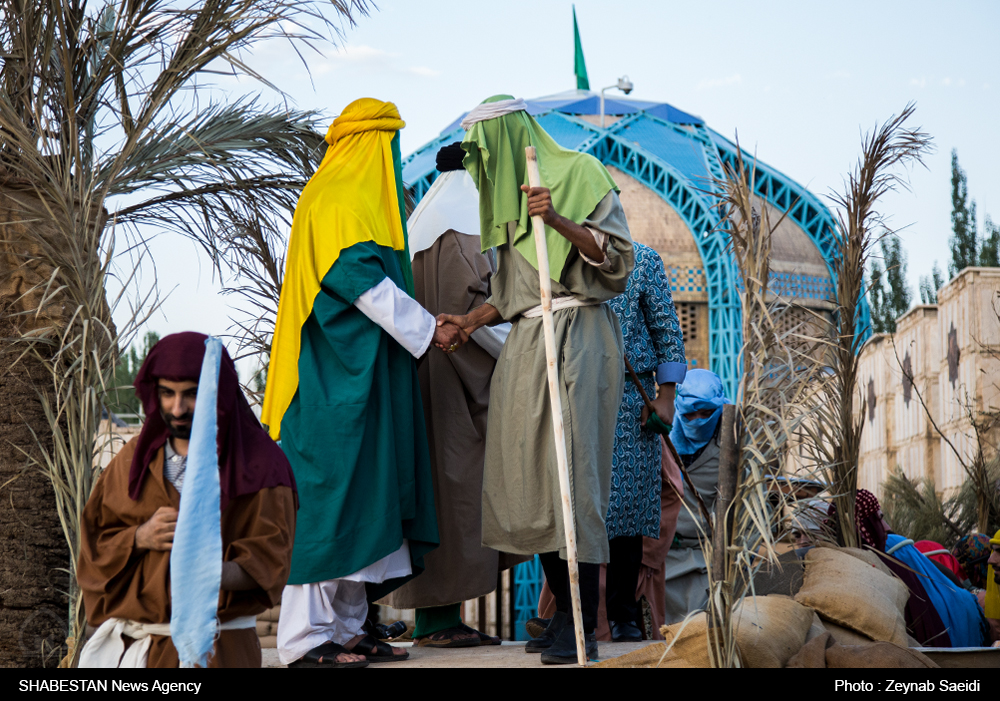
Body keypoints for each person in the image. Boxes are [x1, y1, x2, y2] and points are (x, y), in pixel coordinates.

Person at [262, 99, 464, 667]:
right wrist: (431, 329)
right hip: (329, 387)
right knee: (332, 504)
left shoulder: (353, 203)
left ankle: (347, 630)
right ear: (372, 145)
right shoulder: (337, 200)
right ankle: (304, 641)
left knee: (366, 498)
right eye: (390, 146)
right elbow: (361, 285)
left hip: (364, 383)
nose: (394, 159)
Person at [437, 95, 635, 663]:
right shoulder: (500, 207)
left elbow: (618, 262)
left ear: (504, 142)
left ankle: (581, 626)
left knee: (575, 477)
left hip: (578, 337)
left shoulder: (578, 173)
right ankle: (560, 619)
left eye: (481, 156)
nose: (479, 171)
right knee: (531, 480)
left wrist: (556, 220)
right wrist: (467, 323)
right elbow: (512, 298)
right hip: (528, 344)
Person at [77, 333, 297, 668]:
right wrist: (139, 537)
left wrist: (207, 569)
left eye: (191, 394)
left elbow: (270, 562)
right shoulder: (129, 461)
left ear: (217, 392)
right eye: (167, 393)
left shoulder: (261, 467)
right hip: (137, 653)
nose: (177, 408)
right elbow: (94, 548)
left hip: (219, 652)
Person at [380, 143, 525, 647]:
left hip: (420, 385)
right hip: (460, 389)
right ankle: (439, 623)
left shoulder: (416, 229)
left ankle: (434, 619)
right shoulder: (467, 230)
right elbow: (486, 316)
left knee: (433, 499)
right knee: (458, 499)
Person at [603, 241, 686, 641]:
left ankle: (623, 615)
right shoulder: (553, 254)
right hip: (569, 392)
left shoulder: (642, 260)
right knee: (568, 501)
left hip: (628, 397)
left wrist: (665, 396)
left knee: (626, 508)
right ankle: (571, 614)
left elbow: (666, 328)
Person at [828, 490, 988, 647]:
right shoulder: (888, 568)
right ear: (864, 523)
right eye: (879, 518)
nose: (886, 527)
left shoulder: (833, 568)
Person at [662, 369, 730, 624]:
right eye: (689, 414)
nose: (697, 420)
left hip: (706, 555)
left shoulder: (730, 447)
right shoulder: (660, 437)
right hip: (661, 552)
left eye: (706, 413)